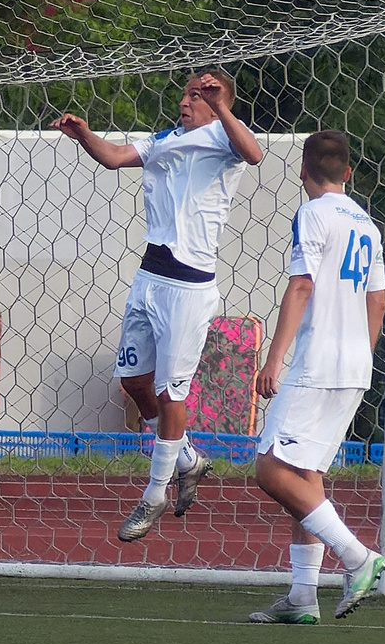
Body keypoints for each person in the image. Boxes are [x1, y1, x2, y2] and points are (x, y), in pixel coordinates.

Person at [51, 72, 264, 543]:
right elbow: (114, 159)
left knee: (173, 394)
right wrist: (84, 133)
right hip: (149, 278)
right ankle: (187, 459)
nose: (187, 101)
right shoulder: (165, 139)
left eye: (199, 95)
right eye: (186, 93)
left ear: (217, 103)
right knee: (133, 380)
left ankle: (154, 494)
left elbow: (255, 153)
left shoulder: (224, 140)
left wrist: (223, 108)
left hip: (189, 288)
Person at [248, 131, 385, 623]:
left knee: (271, 470)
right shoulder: (367, 224)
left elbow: (303, 284)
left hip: (317, 363)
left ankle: (358, 558)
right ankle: (302, 596)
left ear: (303, 172)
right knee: (306, 474)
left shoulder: (312, 214)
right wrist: (358, 355)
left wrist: (274, 358)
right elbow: (378, 301)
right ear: (348, 173)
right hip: (355, 364)